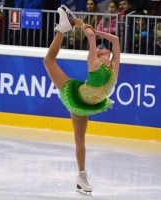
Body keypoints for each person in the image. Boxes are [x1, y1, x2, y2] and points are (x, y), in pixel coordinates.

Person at [43, 6, 120, 194]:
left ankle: (61, 29)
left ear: (103, 58)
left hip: (77, 97)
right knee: (80, 140)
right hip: (89, 103)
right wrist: (92, 30)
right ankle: (82, 176)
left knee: (48, 61)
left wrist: (79, 24)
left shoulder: (94, 63)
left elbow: (92, 38)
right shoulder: (115, 67)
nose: (102, 49)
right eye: (100, 49)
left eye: (103, 50)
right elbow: (115, 40)